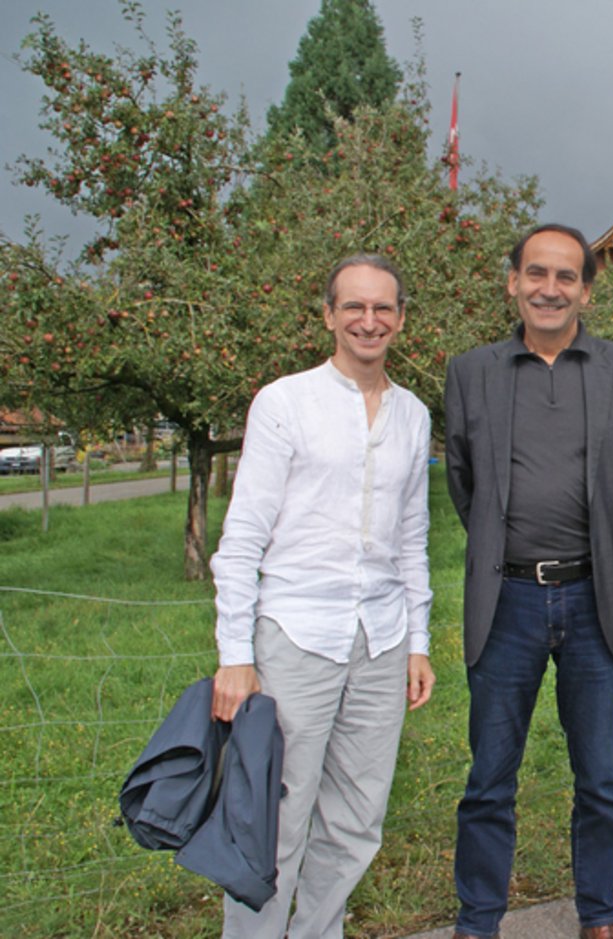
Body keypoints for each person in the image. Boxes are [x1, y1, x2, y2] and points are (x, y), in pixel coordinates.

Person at [444, 223, 613, 939]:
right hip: (505, 599)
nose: (549, 287)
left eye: (566, 276)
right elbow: (462, 481)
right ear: (512, 282)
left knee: (601, 776)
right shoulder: (470, 372)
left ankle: (599, 915)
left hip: (596, 599)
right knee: (489, 780)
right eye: (536, 273)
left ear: (586, 292)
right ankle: (479, 920)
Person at [209, 253, 436, 938]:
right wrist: (234, 653)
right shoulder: (285, 402)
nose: (370, 321)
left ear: (400, 317)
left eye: (383, 308)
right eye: (354, 307)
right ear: (330, 314)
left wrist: (418, 641)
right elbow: (242, 536)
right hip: (296, 636)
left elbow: (411, 539)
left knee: (356, 819)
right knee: (273, 814)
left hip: (380, 639)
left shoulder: (413, 414)